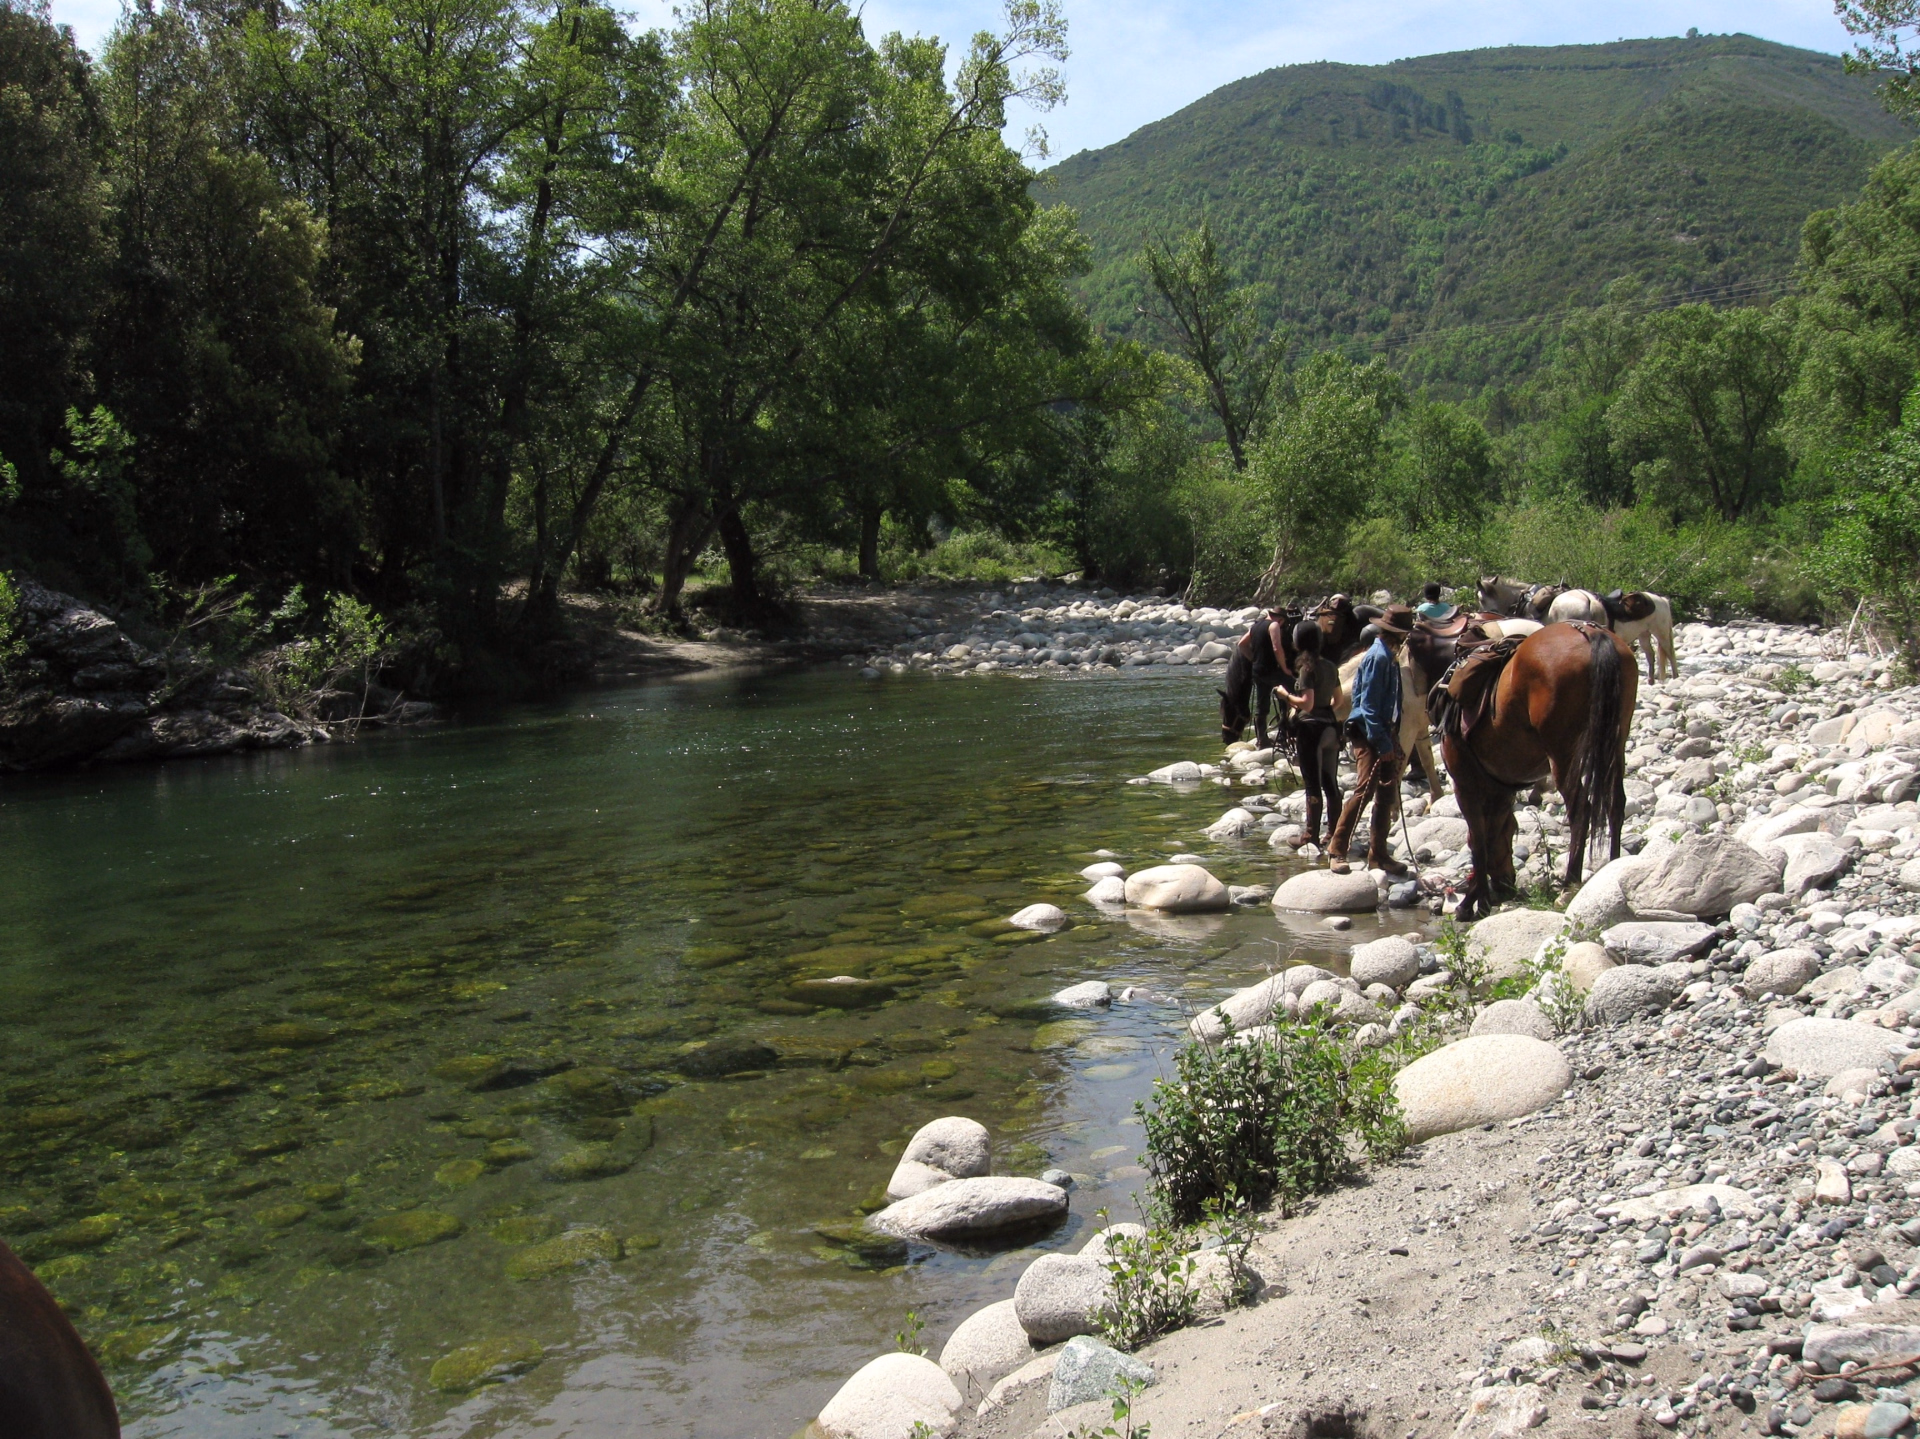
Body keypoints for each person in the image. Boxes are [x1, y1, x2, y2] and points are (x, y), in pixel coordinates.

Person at [1327, 603, 1414, 877]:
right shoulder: (1378, 658)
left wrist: (1393, 737)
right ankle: (1337, 850)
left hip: (1383, 731)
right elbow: (1369, 707)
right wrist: (1384, 743)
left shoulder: (1389, 656)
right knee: (1364, 791)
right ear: (1398, 635)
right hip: (1369, 732)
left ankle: (1379, 855)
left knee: (1386, 793)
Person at [1279, 621, 1340, 848]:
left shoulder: (1307, 668)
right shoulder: (1331, 666)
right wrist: (1325, 710)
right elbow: (1339, 700)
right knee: (1331, 783)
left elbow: (1306, 703)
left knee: (1313, 784)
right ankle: (1334, 833)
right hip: (1332, 730)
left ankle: (1310, 836)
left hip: (1311, 731)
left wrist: (1284, 695)